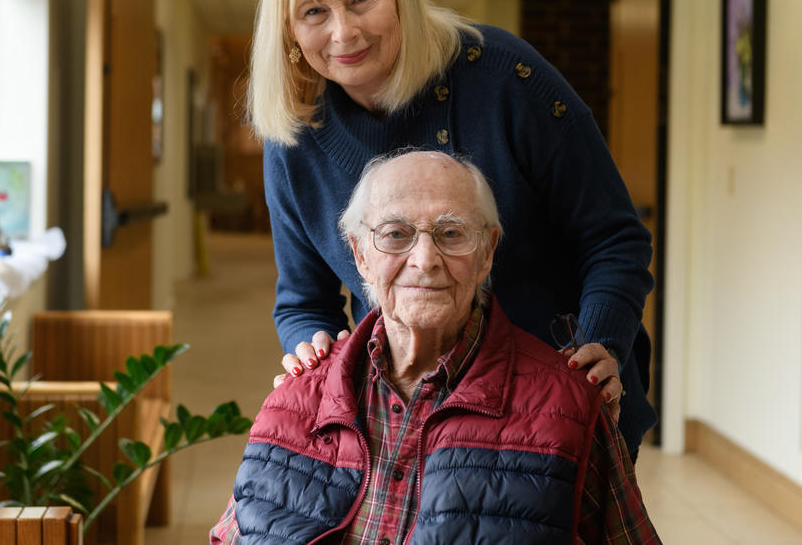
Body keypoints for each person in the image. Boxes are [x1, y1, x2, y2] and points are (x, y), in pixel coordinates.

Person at [250, 0, 656, 456]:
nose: (343, 32)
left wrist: (601, 343)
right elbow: (302, 301)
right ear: (289, 31)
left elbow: (615, 237)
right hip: (407, 411)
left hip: (557, 398)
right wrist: (313, 349)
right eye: (314, 12)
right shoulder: (294, 136)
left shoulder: (507, 78)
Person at [210, 151, 659, 544]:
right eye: (395, 234)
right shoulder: (292, 403)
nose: (425, 260)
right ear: (360, 255)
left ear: (487, 252)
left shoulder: (569, 409)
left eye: (451, 233)